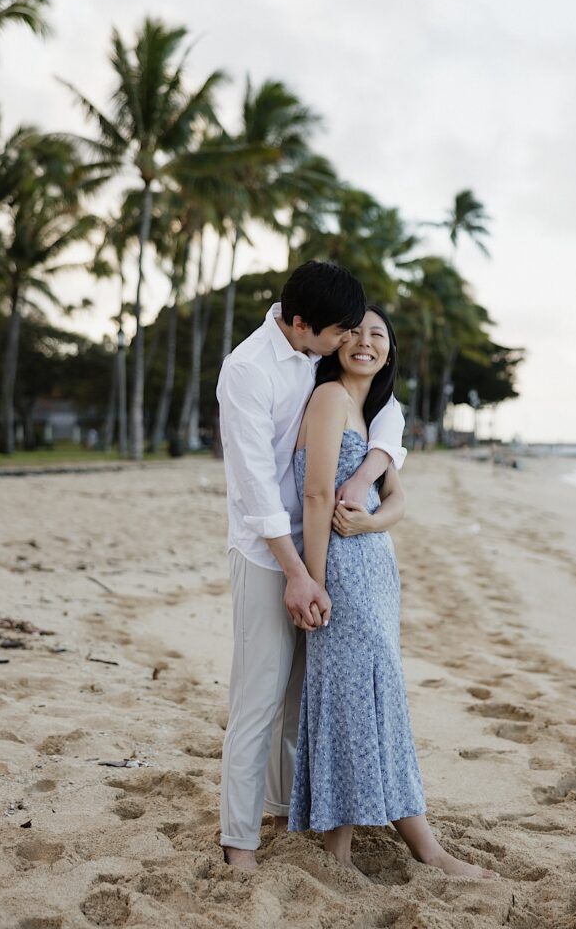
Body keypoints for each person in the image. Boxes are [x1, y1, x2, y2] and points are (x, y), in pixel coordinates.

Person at [287, 305, 501, 881]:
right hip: (343, 576)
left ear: (389, 351)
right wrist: (313, 578)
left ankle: (345, 846)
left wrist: (371, 524)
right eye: (354, 332)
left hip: (375, 568)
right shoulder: (330, 398)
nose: (364, 342)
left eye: (377, 335)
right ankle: (414, 849)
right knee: (357, 700)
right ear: (335, 344)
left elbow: (398, 500)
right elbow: (313, 496)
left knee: (369, 700)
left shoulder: (375, 412)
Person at [216, 261, 407, 869]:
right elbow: (254, 489)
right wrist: (298, 571)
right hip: (270, 554)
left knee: (305, 701)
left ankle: (283, 811)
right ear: (302, 324)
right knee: (258, 701)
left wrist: (369, 472)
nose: (352, 339)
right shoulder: (248, 370)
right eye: (342, 331)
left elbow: (388, 420)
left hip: (323, 555)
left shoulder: (318, 358)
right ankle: (239, 844)